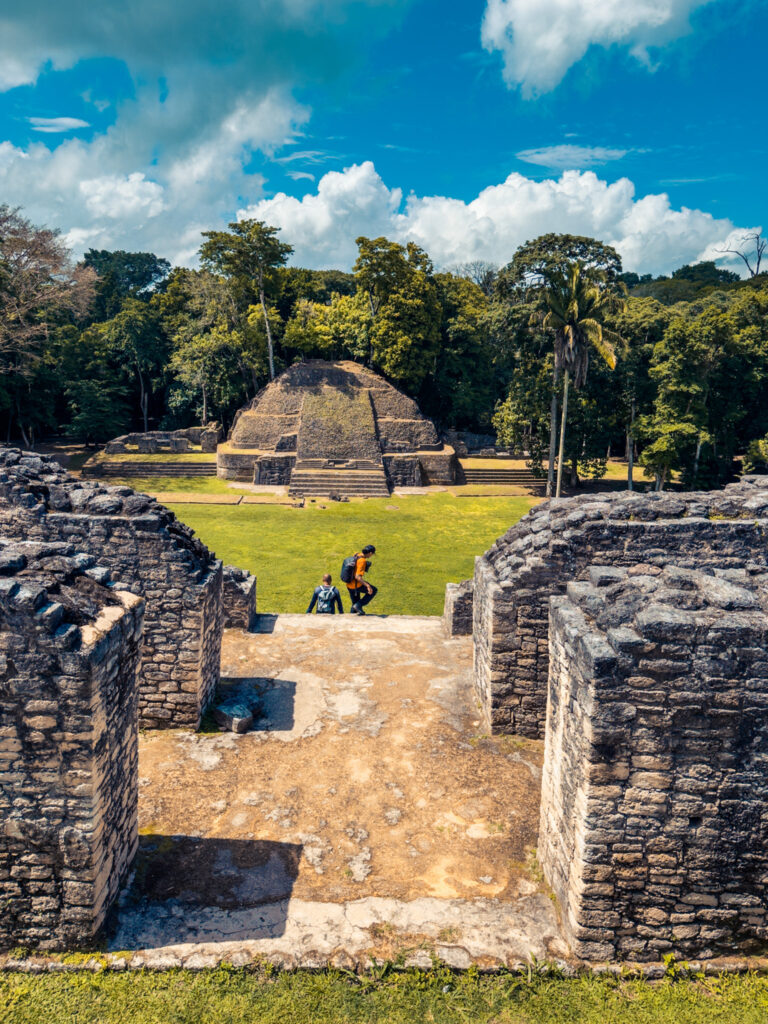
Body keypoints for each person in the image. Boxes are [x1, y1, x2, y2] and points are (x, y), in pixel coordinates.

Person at [345, 544, 377, 615]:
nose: (371, 556)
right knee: (373, 590)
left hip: (349, 584)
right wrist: (367, 586)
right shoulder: (362, 561)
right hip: (356, 585)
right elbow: (357, 577)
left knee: (355, 604)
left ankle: (350, 618)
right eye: (371, 555)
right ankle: (358, 605)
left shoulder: (356, 554)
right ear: (370, 553)